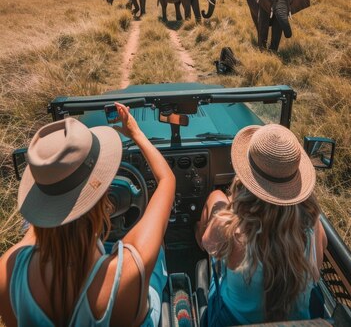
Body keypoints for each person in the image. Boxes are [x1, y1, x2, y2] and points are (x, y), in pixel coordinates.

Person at [0, 102, 176, 327]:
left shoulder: (8, 272)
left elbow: (36, 228)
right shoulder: (128, 271)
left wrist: (52, 183)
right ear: (103, 198)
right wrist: (136, 133)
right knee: (157, 250)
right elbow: (167, 180)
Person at [195, 123, 327, 326]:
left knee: (216, 198)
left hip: (232, 320)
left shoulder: (231, 227)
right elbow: (316, 272)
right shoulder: (312, 221)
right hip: (300, 321)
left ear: (246, 178)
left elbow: (208, 244)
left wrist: (235, 204)